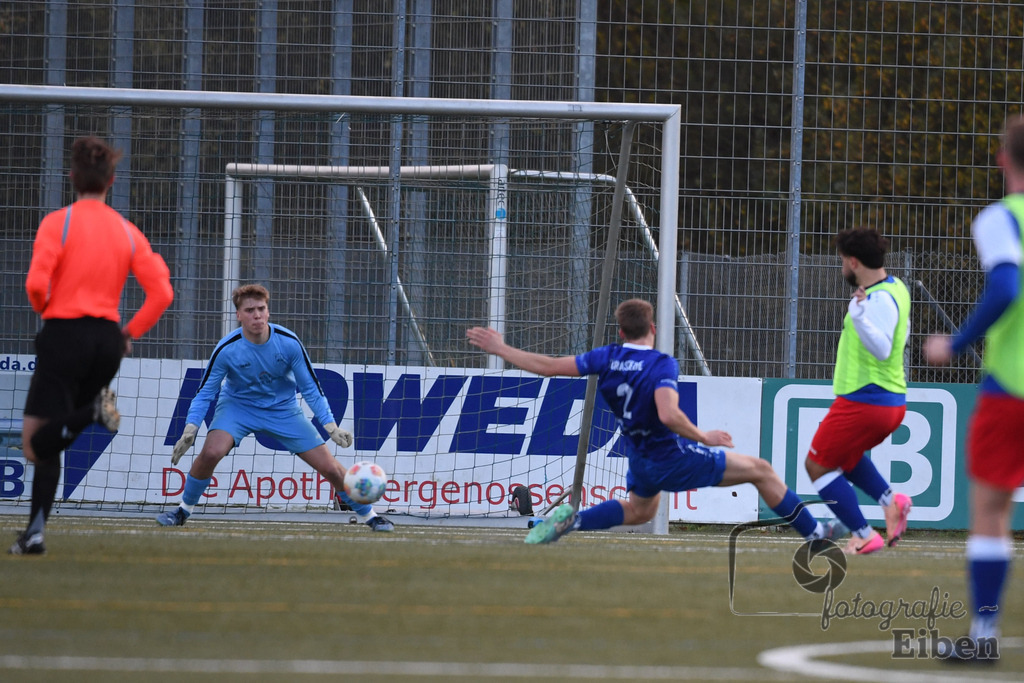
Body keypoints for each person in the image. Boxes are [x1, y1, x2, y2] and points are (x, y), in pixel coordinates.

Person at [466, 298, 827, 545]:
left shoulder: (605, 357)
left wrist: (502, 348)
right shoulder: (660, 363)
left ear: (621, 332)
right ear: (652, 327)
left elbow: (548, 366)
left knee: (640, 511)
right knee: (761, 470)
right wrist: (705, 436)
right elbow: (668, 414)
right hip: (669, 456)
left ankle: (569, 521)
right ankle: (816, 536)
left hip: (639, 457)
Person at [11, 136, 174, 555]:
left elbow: (34, 284)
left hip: (65, 334)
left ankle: (93, 411)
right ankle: (34, 535)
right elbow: (162, 293)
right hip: (106, 342)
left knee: (35, 445)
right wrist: (128, 334)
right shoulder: (126, 230)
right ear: (111, 181)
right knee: (56, 436)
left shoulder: (58, 223)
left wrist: (46, 309)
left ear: (72, 178)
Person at [155, 284, 394, 532]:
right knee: (211, 453)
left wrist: (330, 426)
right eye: (249, 310)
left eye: (261, 309)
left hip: (283, 410)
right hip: (238, 407)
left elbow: (311, 388)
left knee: (330, 468)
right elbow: (205, 392)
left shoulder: (289, 343)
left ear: (268, 312)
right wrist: (191, 427)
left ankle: (371, 517)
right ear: (239, 315)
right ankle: (183, 511)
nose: (256, 315)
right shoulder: (227, 349)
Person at [922, 114, 1024, 663]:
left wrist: (957, 342)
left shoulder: (1001, 218)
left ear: (1003, 159)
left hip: (1013, 386)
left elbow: (1006, 283)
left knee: (990, 511)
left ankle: (983, 639)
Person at [802, 228, 913, 556]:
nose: (842, 270)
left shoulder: (873, 301)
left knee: (817, 466)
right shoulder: (896, 287)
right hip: (887, 399)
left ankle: (864, 534)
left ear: (854, 262)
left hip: (866, 399)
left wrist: (859, 315)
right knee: (846, 457)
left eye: (842, 262)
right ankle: (892, 502)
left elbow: (882, 348)